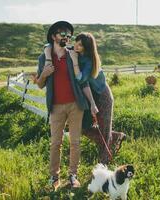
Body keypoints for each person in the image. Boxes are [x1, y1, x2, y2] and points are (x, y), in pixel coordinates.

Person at [43, 32, 126, 165]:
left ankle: (103, 163)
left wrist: (75, 61)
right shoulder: (74, 51)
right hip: (89, 95)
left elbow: (81, 79)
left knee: (104, 130)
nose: (76, 46)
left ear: (87, 48)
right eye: (76, 42)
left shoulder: (89, 60)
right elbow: (49, 45)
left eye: (81, 45)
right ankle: (115, 137)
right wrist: (48, 54)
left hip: (102, 95)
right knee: (83, 127)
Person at [36, 21, 91, 190]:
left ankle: (73, 176)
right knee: (55, 143)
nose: (67, 38)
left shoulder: (73, 55)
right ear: (53, 36)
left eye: (69, 35)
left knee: (75, 142)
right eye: (63, 34)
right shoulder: (43, 57)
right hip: (56, 107)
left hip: (75, 105)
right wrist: (44, 75)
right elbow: (39, 84)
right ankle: (54, 177)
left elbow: (83, 78)